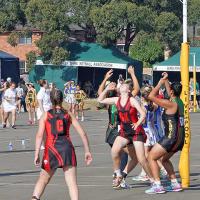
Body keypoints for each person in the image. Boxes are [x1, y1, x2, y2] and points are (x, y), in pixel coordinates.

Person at [31, 89, 92, 200]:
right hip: (66, 149)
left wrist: (36, 153)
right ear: (62, 99)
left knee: (43, 179)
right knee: (72, 183)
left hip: (51, 149)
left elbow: (39, 136)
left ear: (50, 100)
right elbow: (82, 133)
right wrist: (87, 151)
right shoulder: (68, 114)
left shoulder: (45, 115)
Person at [98, 80, 154, 190]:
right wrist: (107, 89)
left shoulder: (132, 100)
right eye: (121, 85)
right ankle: (118, 174)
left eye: (125, 85)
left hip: (136, 131)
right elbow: (100, 99)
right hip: (124, 131)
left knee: (141, 159)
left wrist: (137, 123)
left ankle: (154, 180)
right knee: (114, 150)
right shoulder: (116, 99)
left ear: (128, 90)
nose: (123, 84)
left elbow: (143, 113)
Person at [145, 72, 185, 194]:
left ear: (171, 92)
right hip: (180, 138)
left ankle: (157, 185)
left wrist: (159, 83)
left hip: (170, 137)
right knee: (164, 160)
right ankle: (175, 184)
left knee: (151, 156)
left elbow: (151, 96)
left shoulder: (169, 104)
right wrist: (166, 80)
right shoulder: (179, 102)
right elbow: (170, 91)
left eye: (169, 89)